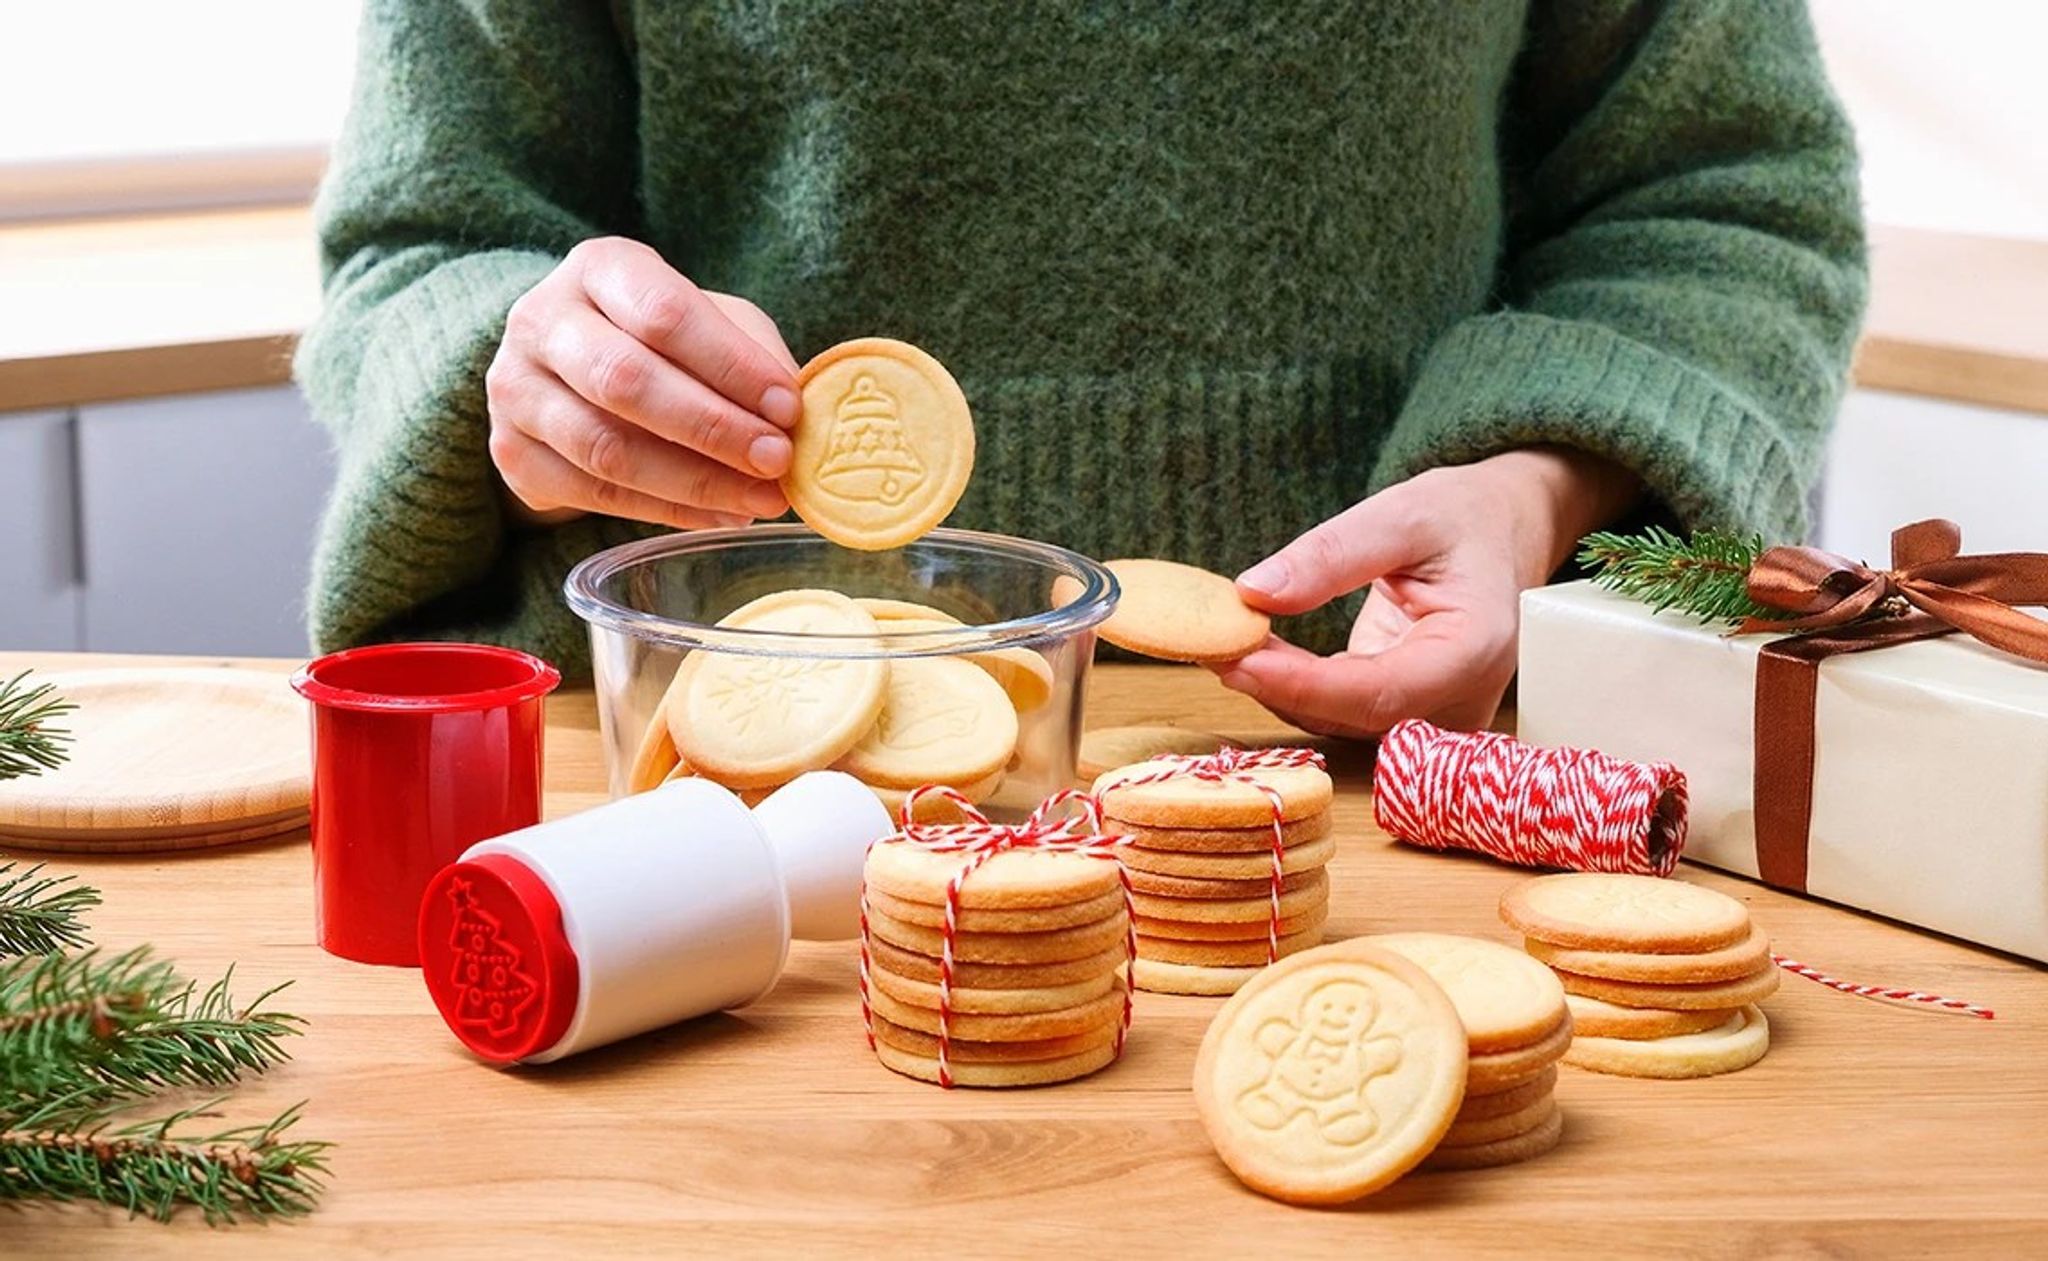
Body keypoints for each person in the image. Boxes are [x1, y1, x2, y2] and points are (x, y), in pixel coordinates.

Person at [297, 2, 1865, 737]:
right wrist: (537, 371)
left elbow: (1723, 204)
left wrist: (1544, 478)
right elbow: (420, 253)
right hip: (722, 806)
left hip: (1413, 783)